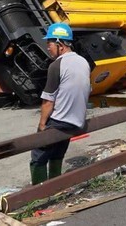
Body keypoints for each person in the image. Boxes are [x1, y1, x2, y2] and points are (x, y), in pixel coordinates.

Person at [30, 23, 91, 185]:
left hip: (59, 121)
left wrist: (42, 125)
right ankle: (56, 185)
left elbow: (48, 101)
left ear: (60, 45)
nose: (47, 48)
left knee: (37, 155)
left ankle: (38, 193)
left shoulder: (56, 65)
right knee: (57, 152)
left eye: (49, 44)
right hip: (77, 121)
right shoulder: (83, 61)